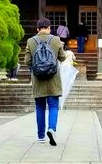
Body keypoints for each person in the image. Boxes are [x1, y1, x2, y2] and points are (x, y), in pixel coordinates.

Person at [25, 18, 66, 146]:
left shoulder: (31, 41)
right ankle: (51, 129)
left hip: (38, 80)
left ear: (37, 29)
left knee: (40, 108)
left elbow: (27, 61)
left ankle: (41, 136)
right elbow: (62, 57)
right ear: (49, 28)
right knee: (54, 106)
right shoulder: (55, 40)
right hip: (53, 79)